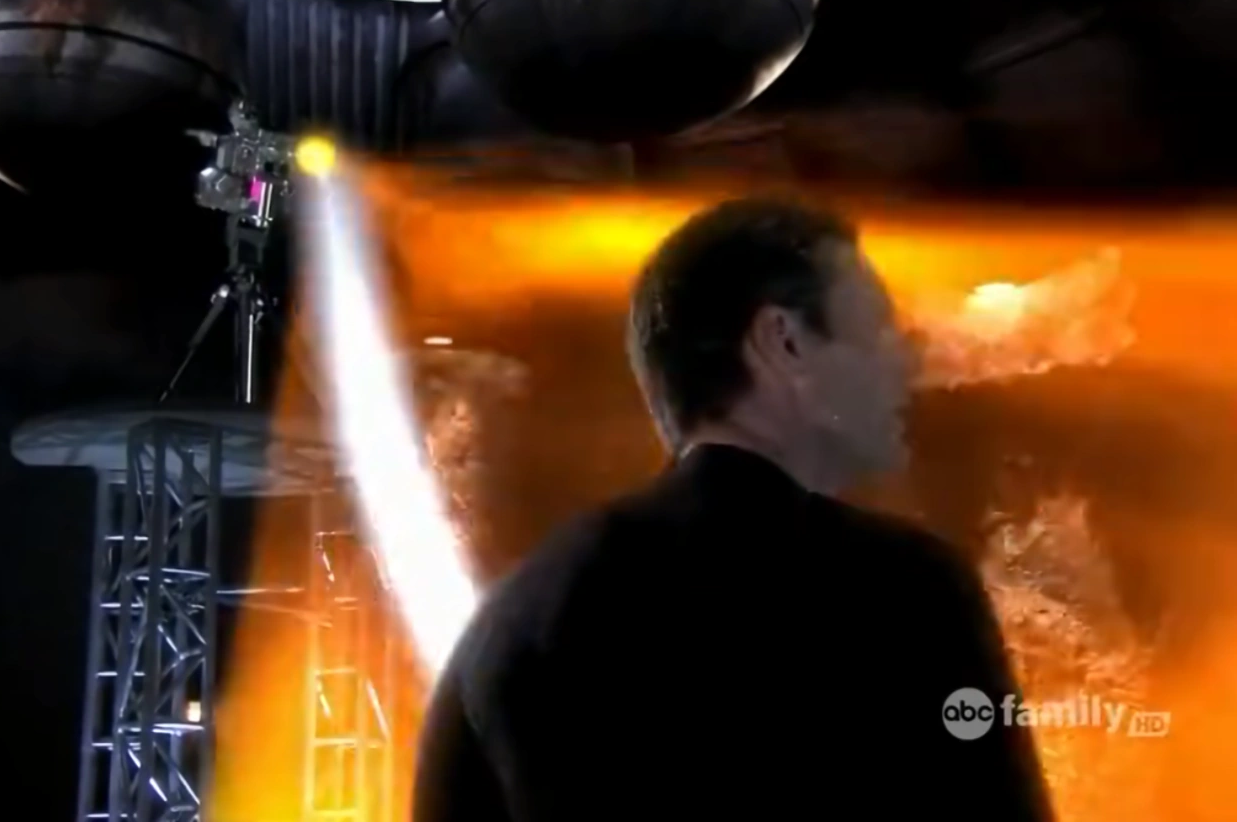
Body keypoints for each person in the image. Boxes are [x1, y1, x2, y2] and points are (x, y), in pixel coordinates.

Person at [412, 197, 1055, 821]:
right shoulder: (909, 592)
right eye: (879, 331)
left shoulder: (506, 624)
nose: (906, 360)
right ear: (784, 343)